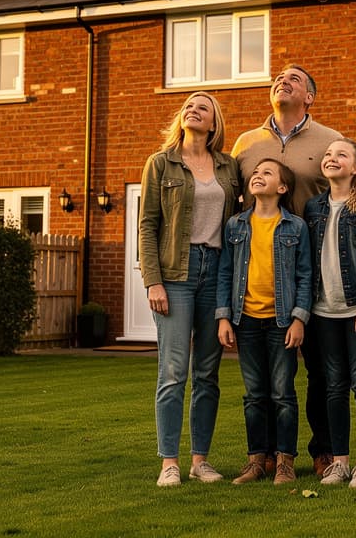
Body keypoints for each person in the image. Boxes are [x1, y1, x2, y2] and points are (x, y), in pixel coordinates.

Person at [230, 64, 356, 476]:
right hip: (266, 275)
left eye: (295, 79)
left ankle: (327, 452)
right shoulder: (245, 144)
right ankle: (265, 455)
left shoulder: (329, 141)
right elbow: (229, 202)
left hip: (316, 275)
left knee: (323, 375)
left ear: (310, 97)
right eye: (278, 78)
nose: (282, 81)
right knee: (267, 377)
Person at [138, 91, 241, 487]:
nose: (193, 110)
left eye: (203, 107)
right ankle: (169, 463)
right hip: (175, 275)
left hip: (216, 272)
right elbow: (148, 225)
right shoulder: (160, 164)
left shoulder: (229, 167)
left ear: (213, 124)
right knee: (173, 371)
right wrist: (153, 281)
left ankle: (200, 461)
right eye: (188, 106)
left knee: (208, 373)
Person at [215, 158, 313, 485]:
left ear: (282, 188)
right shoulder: (236, 225)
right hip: (245, 322)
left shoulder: (295, 227)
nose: (258, 176)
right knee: (255, 394)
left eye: (266, 173)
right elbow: (225, 273)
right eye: (255, 173)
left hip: (282, 322)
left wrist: (299, 318)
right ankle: (257, 460)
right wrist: (224, 318)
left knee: (283, 393)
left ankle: (285, 461)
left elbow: (305, 275)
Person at [305, 138, 356, 488]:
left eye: (341, 154)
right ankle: (339, 462)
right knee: (334, 388)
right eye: (327, 154)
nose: (331, 158)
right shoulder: (313, 207)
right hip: (324, 311)